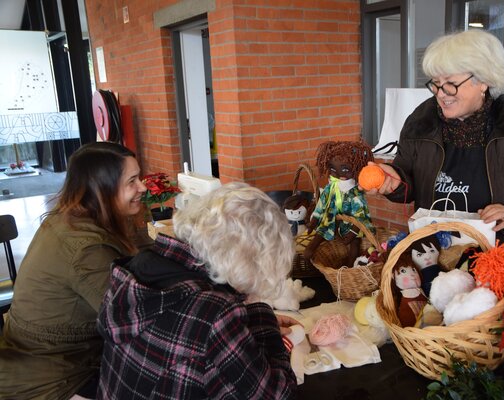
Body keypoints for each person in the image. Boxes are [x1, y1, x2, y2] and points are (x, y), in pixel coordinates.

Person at [364, 30, 504, 282]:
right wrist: (392, 182)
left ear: (483, 80)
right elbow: (408, 182)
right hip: (434, 260)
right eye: (436, 83)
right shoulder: (420, 121)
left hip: (500, 262)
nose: (440, 92)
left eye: (451, 83)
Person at [96, 182, 299, 399]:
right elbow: (276, 394)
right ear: (251, 261)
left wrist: (246, 320)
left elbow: (188, 338)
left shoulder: (137, 269)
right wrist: (263, 318)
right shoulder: (216, 313)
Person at [0, 141, 146, 400]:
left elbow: (141, 248)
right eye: (132, 181)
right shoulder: (86, 248)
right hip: (51, 373)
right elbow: (131, 321)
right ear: (103, 188)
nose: (142, 187)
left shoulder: (78, 217)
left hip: (46, 352)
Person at [304, 140, 375, 267]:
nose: (338, 173)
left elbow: (360, 215)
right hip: (332, 219)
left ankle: (350, 266)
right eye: (332, 169)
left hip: (352, 223)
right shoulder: (330, 188)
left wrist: (353, 232)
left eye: (345, 169)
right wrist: (314, 220)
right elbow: (322, 205)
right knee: (324, 225)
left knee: (355, 244)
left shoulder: (355, 193)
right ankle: (311, 249)